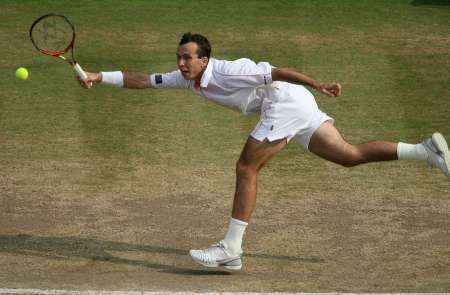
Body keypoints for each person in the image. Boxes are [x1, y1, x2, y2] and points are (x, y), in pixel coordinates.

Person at [79, 32, 450, 271]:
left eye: (187, 58)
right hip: (295, 107)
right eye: (179, 57)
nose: (180, 63)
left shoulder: (232, 70)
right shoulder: (187, 78)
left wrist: (318, 84)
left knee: (245, 168)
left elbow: (279, 72)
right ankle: (425, 150)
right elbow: (144, 79)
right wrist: (99, 76)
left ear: (204, 60)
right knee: (348, 155)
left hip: (286, 103)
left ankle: (230, 249)